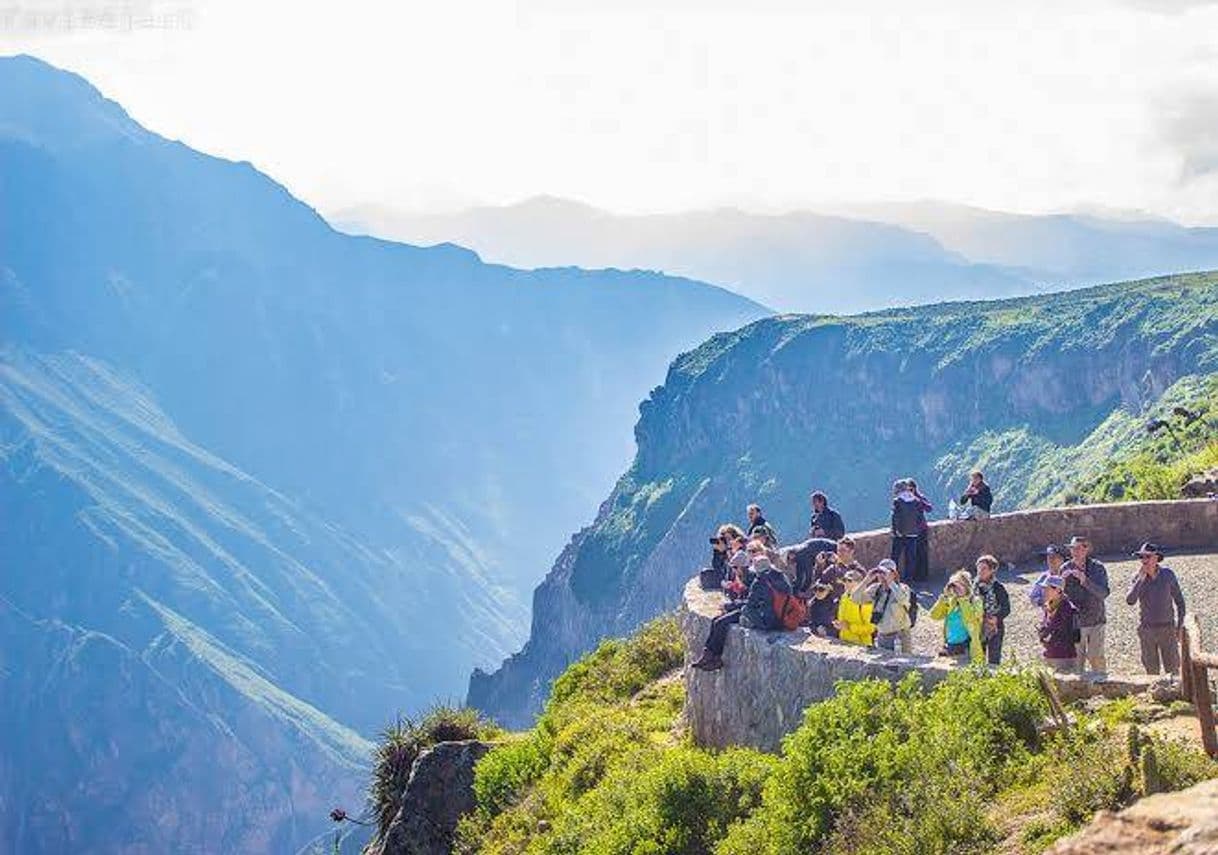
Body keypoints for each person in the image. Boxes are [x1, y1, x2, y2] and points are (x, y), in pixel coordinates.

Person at [692, 545, 792, 671]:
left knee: (720, 621)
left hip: (765, 619)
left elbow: (749, 605)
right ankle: (709, 655)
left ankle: (713, 658)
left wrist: (729, 606)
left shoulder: (759, 582)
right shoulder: (782, 578)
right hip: (779, 617)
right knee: (717, 621)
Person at [1125, 542, 1186, 676]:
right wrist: (1140, 580)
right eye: (1141, 557)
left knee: (1173, 668)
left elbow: (1180, 602)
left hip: (1168, 629)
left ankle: (1175, 695)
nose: (1144, 560)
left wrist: (1180, 626)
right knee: (1151, 671)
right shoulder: (1137, 577)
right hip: (1147, 630)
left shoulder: (1168, 575)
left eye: (1147, 556)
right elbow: (1130, 601)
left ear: (1156, 558)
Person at [1062, 535, 1110, 678]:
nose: (1074, 552)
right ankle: (1078, 692)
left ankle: (1103, 686)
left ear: (1086, 549)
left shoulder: (1097, 568)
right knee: (1076, 660)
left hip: (1096, 620)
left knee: (1096, 657)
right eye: (1072, 549)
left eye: (1078, 548)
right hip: (1075, 623)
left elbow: (1103, 593)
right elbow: (1060, 597)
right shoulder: (1065, 568)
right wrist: (1061, 584)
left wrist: (1085, 581)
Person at [853, 559, 913, 653]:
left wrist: (890, 582)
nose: (882, 576)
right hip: (882, 636)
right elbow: (855, 599)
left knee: (903, 666)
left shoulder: (902, 588)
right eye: (879, 572)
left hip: (900, 636)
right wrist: (866, 581)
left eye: (885, 572)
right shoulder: (876, 589)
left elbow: (903, 599)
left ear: (894, 574)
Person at [929, 570, 984, 664]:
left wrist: (963, 599)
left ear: (966, 586)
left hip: (966, 648)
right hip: (950, 646)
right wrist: (944, 597)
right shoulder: (952, 601)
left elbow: (971, 619)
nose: (956, 589)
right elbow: (934, 615)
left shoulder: (976, 601)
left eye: (959, 586)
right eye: (954, 586)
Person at [974, 555, 1011, 665]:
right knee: (977, 658)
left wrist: (996, 617)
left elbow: (1006, 608)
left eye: (984, 568)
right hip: (977, 626)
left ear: (992, 570)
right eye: (979, 568)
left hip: (994, 627)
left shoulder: (998, 588)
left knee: (994, 660)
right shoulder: (973, 586)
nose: (980, 571)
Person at [1038, 576, 1079, 673]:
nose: (1044, 591)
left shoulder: (1069, 610)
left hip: (1064, 657)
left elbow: (1074, 636)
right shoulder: (1049, 606)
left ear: (1058, 590)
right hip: (1049, 654)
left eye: (1047, 589)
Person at [889, 479, 926, 582]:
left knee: (895, 557)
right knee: (910, 558)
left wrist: (895, 530)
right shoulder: (916, 501)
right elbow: (919, 517)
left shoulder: (897, 501)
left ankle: (892, 579)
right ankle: (908, 580)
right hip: (913, 534)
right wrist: (916, 530)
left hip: (900, 534)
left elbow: (895, 517)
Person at [834, 569, 876, 646]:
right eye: (844, 580)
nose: (846, 583)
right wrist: (839, 625)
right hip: (844, 643)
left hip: (861, 646)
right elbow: (843, 621)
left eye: (849, 580)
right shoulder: (844, 597)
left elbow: (871, 628)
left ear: (859, 583)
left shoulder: (865, 600)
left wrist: (850, 627)